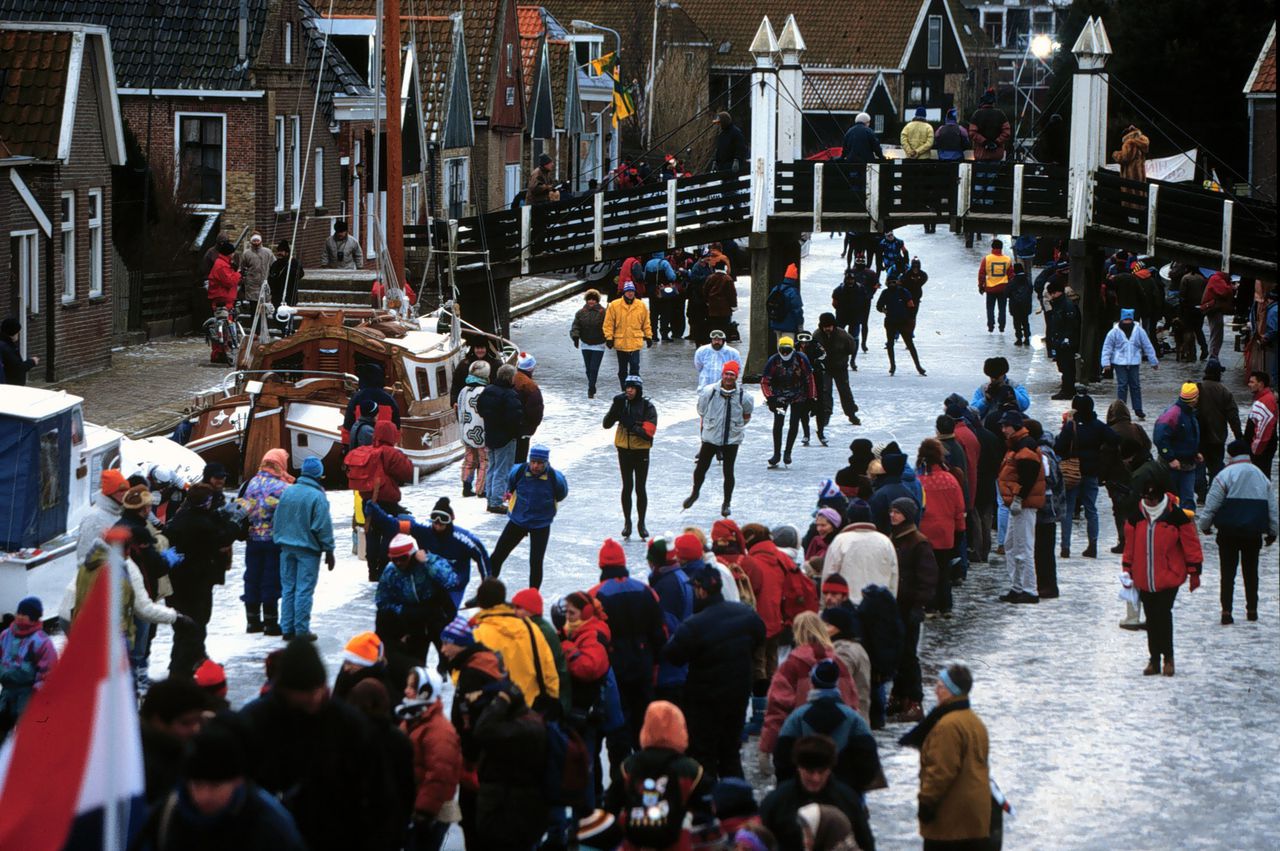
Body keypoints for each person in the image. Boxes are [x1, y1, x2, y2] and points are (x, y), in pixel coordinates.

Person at [240, 639, 396, 851]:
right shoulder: (255, 721)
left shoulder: (349, 725)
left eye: (318, 690)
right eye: (304, 694)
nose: (314, 699)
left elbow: (378, 794)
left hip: (339, 837)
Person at [138, 717, 307, 851]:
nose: (203, 796)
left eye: (215, 786)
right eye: (197, 784)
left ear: (237, 780)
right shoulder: (166, 816)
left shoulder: (271, 827)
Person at [663, 565, 765, 782]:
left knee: (703, 755)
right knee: (730, 753)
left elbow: (673, 656)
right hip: (738, 695)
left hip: (704, 701)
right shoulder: (745, 614)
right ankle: (737, 804)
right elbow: (759, 637)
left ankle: (706, 806)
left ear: (700, 590)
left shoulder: (694, 625)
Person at [898, 663, 991, 850]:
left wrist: (926, 803)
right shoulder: (974, 721)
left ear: (950, 691)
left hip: (951, 818)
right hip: (975, 814)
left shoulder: (947, 726)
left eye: (939, 686)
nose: (935, 690)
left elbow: (941, 771)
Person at [589, 539, 667, 746]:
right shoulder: (645, 590)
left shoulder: (595, 595)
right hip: (643, 664)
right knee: (643, 720)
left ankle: (621, 769)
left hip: (614, 669)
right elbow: (659, 631)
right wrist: (656, 661)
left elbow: (591, 637)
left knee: (618, 723)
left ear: (601, 565)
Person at [1122, 480, 1203, 676]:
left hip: (1169, 576)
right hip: (1144, 577)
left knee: (1163, 615)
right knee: (1151, 618)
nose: (1148, 502)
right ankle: (1154, 659)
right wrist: (1127, 569)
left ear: (1160, 497)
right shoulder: (1135, 517)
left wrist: (1194, 572)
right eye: (1146, 497)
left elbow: (1190, 545)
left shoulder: (1176, 516)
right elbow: (1129, 547)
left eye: (1152, 498)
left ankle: (1168, 658)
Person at [606, 700, 710, 850]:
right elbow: (706, 813)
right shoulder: (691, 769)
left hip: (634, 842)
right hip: (677, 843)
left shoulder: (629, 765)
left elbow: (611, 806)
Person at [759, 617, 859, 770]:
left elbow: (777, 710)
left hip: (801, 746)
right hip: (837, 746)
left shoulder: (790, 666)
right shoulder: (839, 664)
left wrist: (767, 747)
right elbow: (852, 703)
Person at [1199, 440, 1278, 624]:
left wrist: (1205, 525)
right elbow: (1272, 507)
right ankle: (1252, 610)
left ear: (1231, 455)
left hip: (1228, 532)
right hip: (1253, 533)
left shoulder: (1225, 475)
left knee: (1228, 573)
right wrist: (1273, 531)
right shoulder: (1261, 476)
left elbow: (1212, 504)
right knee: (1251, 572)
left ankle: (1226, 611)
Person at [162, 485, 237, 675]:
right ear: (206, 502)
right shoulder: (201, 524)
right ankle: (182, 670)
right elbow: (222, 538)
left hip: (178, 581)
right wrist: (234, 522)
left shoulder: (181, 516)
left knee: (183, 626)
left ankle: (188, 663)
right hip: (197, 581)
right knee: (195, 625)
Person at [366, 497, 490, 609]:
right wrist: (377, 513)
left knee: (445, 614)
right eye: (435, 518)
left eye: (443, 519)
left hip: (454, 584)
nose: (438, 523)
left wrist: (486, 590)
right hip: (429, 580)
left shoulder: (465, 539)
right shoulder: (423, 528)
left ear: (451, 519)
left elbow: (482, 557)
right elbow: (394, 525)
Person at [760, 736, 871, 851]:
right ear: (799, 767)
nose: (816, 778)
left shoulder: (847, 799)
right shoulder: (777, 801)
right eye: (810, 771)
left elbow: (864, 842)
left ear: (830, 769)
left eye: (821, 772)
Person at [271, 457, 336, 642]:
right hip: (307, 550)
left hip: (286, 548)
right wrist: (329, 550)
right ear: (318, 475)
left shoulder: (288, 492)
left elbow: (277, 520)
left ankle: (287, 628)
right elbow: (322, 526)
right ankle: (301, 630)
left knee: (288, 589)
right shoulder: (317, 496)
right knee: (303, 590)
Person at [397, 668, 462, 851]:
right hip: (415, 808)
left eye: (412, 687)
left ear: (425, 691)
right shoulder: (413, 718)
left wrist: (423, 812)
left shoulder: (438, 731)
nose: (406, 691)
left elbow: (440, 776)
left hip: (431, 814)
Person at [885, 498, 936, 724]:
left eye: (897, 512)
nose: (892, 515)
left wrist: (918, 605)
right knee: (897, 653)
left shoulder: (918, 542)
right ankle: (899, 696)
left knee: (908, 655)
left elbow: (928, 579)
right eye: (892, 511)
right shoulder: (892, 539)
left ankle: (914, 701)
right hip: (895, 606)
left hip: (908, 607)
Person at [489, 444, 568, 589]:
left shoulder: (555, 478)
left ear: (546, 463)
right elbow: (511, 485)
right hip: (518, 520)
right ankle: (485, 592)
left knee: (536, 563)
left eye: (539, 463)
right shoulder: (518, 471)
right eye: (533, 462)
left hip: (541, 524)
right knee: (497, 556)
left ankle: (532, 598)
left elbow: (561, 494)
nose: (535, 466)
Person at [375, 534, 460, 666]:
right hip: (412, 620)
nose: (398, 563)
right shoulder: (390, 571)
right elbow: (381, 601)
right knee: (416, 662)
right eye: (394, 559)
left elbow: (451, 581)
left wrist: (426, 562)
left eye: (402, 558)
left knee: (450, 660)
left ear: (413, 554)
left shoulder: (429, 561)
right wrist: (404, 611)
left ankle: (444, 668)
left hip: (436, 614)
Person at [684, 361, 754, 517]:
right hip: (710, 437)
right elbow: (701, 410)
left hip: (731, 439)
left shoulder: (744, 396)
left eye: (732, 375)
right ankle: (695, 493)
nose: (729, 377)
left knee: (728, 472)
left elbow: (747, 416)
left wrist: (735, 427)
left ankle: (726, 502)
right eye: (727, 374)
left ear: (736, 376)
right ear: (722, 374)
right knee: (701, 468)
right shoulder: (709, 392)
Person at [1055, 395, 1119, 559]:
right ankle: (1093, 545)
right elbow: (1114, 439)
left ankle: (1065, 547)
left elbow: (1059, 446)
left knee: (1068, 510)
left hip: (1071, 473)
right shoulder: (1097, 426)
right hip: (1091, 472)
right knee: (1091, 509)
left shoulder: (1072, 426)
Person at [350, 421, 415, 581]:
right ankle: (384, 568)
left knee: (372, 534)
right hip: (386, 500)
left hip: (368, 500)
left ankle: (372, 570)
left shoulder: (368, 451)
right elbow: (407, 473)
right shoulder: (390, 453)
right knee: (388, 533)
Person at [238, 449, 293, 635]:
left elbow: (240, 510)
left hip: (252, 538)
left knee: (252, 577)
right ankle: (271, 623)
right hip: (274, 540)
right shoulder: (283, 488)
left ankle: (252, 621)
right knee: (271, 578)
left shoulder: (249, 484)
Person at [997, 412, 1045, 604]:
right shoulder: (1020, 445)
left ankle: (1029, 589)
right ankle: (1019, 587)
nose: (1002, 430)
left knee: (1022, 547)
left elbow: (1028, 477)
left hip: (1023, 505)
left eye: (1005, 426)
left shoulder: (1024, 448)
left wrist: (1018, 497)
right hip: (1018, 505)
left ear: (1015, 426)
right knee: (1012, 545)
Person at [140, 678, 210, 805]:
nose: (196, 729)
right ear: (158, 721)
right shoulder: (139, 764)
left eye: (199, 720)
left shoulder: (185, 743)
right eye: (186, 723)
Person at [604, 374, 658, 539]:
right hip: (624, 450)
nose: (629, 390)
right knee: (627, 486)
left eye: (632, 387)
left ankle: (641, 523)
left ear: (639, 389)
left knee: (640, 487)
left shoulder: (648, 407)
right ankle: (627, 522)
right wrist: (615, 407)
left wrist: (631, 424)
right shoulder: (622, 403)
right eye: (627, 387)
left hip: (641, 451)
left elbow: (649, 434)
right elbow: (606, 424)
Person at [916, 439, 965, 618]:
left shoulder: (919, 481)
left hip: (925, 532)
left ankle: (930, 606)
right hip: (946, 532)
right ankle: (946, 605)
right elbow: (959, 508)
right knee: (944, 570)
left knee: (927, 570)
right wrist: (960, 529)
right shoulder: (950, 479)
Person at [0, 596, 57, 739]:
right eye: (18, 613)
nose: (19, 617)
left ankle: (23, 753)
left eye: (24, 614)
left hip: (27, 691)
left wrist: (39, 688)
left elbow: (49, 668)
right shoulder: (6, 635)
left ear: (33, 618)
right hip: (7, 690)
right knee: (2, 724)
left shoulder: (40, 641)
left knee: (25, 728)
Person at [821, 498, 898, 605]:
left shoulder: (840, 541)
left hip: (848, 607)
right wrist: (891, 603)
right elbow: (894, 576)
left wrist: (824, 604)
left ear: (849, 519)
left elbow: (829, 574)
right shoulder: (885, 542)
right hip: (879, 606)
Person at [761, 336, 816, 468]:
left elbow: (809, 378)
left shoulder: (801, 358)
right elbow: (765, 381)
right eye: (782, 350)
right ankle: (776, 453)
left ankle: (788, 452)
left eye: (788, 350)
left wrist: (812, 398)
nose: (785, 353)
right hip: (780, 397)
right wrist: (770, 398)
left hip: (798, 396)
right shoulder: (773, 361)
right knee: (778, 422)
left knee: (794, 422)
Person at [476, 364, 523, 514]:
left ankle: (490, 498)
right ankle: (496, 501)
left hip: (490, 434)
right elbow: (515, 417)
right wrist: (516, 432)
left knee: (492, 468)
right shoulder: (509, 394)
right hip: (505, 437)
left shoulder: (488, 390)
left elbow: (480, 408)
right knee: (502, 470)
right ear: (510, 377)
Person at [1101, 308, 1159, 419]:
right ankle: (1120, 410)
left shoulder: (1139, 331)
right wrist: (1106, 363)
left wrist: (1153, 360)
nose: (1127, 322)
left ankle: (1138, 409)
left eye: (1129, 319)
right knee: (1122, 386)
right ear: (1121, 320)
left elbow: (1147, 345)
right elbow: (1107, 347)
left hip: (1134, 362)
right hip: (1119, 362)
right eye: (1125, 319)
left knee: (1135, 385)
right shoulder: (1114, 332)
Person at [1153, 384, 1203, 508]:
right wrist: (1170, 458)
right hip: (1173, 466)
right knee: (1171, 501)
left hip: (1188, 464)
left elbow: (1188, 436)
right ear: (1195, 399)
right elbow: (1159, 438)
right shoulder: (1173, 414)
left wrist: (1195, 452)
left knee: (1187, 500)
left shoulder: (1188, 413)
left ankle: (1186, 525)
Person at [1195, 358, 1243, 485]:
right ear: (1218, 373)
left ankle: (1201, 494)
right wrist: (1239, 436)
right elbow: (1233, 416)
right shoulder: (1224, 392)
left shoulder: (1196, 389)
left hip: (1199, 436)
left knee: (1199, 465)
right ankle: (1215, 492)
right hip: (1218, 437)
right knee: (1216, 467)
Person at [603, 282, 654, 390]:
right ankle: (624, 388)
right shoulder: (614, 305)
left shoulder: (641, 305)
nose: (630, 293)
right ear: (624, 292)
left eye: (632, 291)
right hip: (621, 342)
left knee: (635, 368)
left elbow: (646, 322)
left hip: (635, 343)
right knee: (622, 370)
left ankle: (634, 389)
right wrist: (609, 338)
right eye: (628, 291)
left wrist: (648, 336)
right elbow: (608, 323)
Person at [814, 313, 862, 427]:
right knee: (825, 391)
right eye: (825, 327)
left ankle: (851, 414)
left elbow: (852, 347)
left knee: (845, 391)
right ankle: (825, 415)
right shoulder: (817, 336)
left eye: (829, 326)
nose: (827, 329)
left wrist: (844, 358)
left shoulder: (843, 335)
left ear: (834, 325)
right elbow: (812, 350)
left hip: (840, 368)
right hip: (824, 368)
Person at [876, 272, 926, 376]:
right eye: (890, 282)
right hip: (890, 321)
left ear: (898, 282)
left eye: (894, 282)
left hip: (903, 321)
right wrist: (884, 310)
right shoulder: (885, 293)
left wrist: (909, 319)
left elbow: (911, 306)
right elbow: (878, 306)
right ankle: (892, 366)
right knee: (890, 344)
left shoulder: (903, 292)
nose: (892, 284)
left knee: (909, 344)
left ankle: (918, 367)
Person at [456, 361, 490, 497]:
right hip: (481, 432)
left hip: (466, 431)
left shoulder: (464, 391)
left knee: (469, 459)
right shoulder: (485, 391)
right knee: (484, 461)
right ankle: (481, 489)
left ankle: (466, 486)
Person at [205, 241, 242, 364]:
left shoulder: (223, 263)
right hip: (222, 299)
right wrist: (238, 274)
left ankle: (222, 351)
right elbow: (229, 281)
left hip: (226, 299)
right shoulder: (221, 265)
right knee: (222, 327)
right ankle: (219, 353)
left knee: (225, 326)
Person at [1044, 280, 1081, 400]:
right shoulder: (1059, 304)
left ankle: (1067, 390)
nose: (1050, 297)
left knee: (1067, 366)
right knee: (1064, 365)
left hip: (1065, 342)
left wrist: (1065, 339)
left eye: (1051, 293)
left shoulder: (1066, 305)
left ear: (1056, 293)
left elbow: (1071, 325)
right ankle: (1068, 389)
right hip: (1060, 340)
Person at [571, 289, 609, 398]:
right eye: (589, 299)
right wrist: (575, 337)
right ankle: (591, 384)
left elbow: (608, 326)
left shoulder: (604, 312)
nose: (591, 302)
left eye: (593, 299)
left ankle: (591, 388)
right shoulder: (580, 312)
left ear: (597, 301)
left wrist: (609, 338)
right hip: (586, 344)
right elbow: (576, 326)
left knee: (594, 368)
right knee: (588, 369)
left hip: (599, 344)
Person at [512, 352, 545, 464]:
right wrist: (530, 427)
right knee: (520, 459)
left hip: (507, 428)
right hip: (523, 429)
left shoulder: (510, 379)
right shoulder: (530, 386)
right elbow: (535, 411)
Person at [450, 339, 503, 405]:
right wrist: (454, 401)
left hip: (489, 402)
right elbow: (456, 384)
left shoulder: (496, 364)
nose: (480, 350)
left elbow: (501, 384)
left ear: (487, 348)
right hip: (467, 401)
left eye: (482, 348)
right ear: (473, 349)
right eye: (477, 348)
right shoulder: (464, 364)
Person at [1245, 370, 1277, 478]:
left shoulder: (1265, 401)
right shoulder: (1265, 398)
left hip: (1261, 451)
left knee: (1260, 479)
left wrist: (1254, 451)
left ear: (1261, 384)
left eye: (1252, 382)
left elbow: (1264, 431)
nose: (1249, 385)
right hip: (1263, 449)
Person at [767, 264, 805, 354]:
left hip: (776, 323)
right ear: (794, 278)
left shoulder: (776, 288)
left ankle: (779, 364)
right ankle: (786, 366)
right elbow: (797, 310)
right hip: (789, 326)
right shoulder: (793, 292)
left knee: (779, 346)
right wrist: (800, 325)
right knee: (788, 349)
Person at [645, 252, 682, 341]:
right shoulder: (664, 263)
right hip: (663, 292)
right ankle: (664, 334)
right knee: (665, 313)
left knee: (653, 313)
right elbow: (672, 277)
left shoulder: (648, 263)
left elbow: (645, 277)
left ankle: (653, 335)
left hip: (652, 291)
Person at [977, 238, 1011, 333]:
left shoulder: (987, 259)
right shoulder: (1007, 259)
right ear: (1001, 248)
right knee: (1002, 308)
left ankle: (991, 326)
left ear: (992, 248)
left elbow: (982, 274)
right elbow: (1011, 275)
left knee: (990, 308)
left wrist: (981, 286)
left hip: (990, 288)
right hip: (1003, 288)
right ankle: (1002, 326)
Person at [1199, 271, 1234, 360]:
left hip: (1214, 309)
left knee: (1216, 333)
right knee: (1217, 334)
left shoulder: (1216, 278)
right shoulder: (1217, 279)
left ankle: (1214, 356)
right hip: (1214, 309)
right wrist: (1232, 287)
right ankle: (1213, 357)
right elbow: (1225, 292)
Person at [968, 87, 1010, 161]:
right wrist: (996, 142)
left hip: (981, 154)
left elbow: (972, 133)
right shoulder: (1000, 114)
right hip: (996, 154)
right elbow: (1006, 133)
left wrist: (985, 142)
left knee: (981, 171)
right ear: (993, 102)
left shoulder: (977, 114)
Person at [704, 261, 739, 339]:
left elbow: (705, 290)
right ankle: (722, 341)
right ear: (725, 268)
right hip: (725, 308)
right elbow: (732, 294)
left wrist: (707, 301)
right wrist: (734, 306)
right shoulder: (728, 279)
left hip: (712, 307)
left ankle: (714, 340)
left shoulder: (710, 277)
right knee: (724, 327)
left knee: (714, 326)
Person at [239, 232, 274, 307]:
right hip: (252, 284)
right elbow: (242, 268)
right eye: (254, 240)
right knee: (253, 306)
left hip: (265, 282)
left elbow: (274, 265)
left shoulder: (268, 252)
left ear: (260, 241)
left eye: (257, 240)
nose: (256, 242)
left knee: (264, 307)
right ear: (251, 241)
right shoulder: (246, 253)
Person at [0, 318, 38, 384]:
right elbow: (17, 368)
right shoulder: (6, 348)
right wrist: (32, 362)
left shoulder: (5, 344)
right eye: (18, 332)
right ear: (14, 333)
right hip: (10, 387)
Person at [267, 239, 304, 307]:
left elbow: (300, 274)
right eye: (278, 251)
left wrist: (291, 273)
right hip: (277, 296)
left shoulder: (294, 263)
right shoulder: (275, 264)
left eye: (281, 251)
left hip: (289, 295)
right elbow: (271, 276)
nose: (279, 253)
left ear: (287, 252)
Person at [1008, 262, 1034, 346]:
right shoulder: (1027, 281)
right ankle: (1027, 338)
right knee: (1025, 321)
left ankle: (1019, 338)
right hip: (1025, 305)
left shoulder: (1012, 281)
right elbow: (1030, 291)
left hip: (1015, 305)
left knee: (1017, 322)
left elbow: (1006, 293)